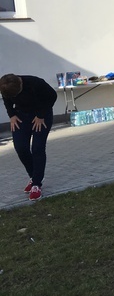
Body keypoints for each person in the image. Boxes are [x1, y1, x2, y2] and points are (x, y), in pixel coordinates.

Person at [0, 73, 58, 201]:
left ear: (20, 84)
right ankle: (34, 176)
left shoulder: (35, 83)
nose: (15, 97)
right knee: (21, 147)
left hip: (41, 115)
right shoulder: (6, 87)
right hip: (21, 116)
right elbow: (6, 99)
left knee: (37, 147)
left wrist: (41, 115)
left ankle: (36, 184)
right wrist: (12, 115)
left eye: (17, 94)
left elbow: (52, 96)